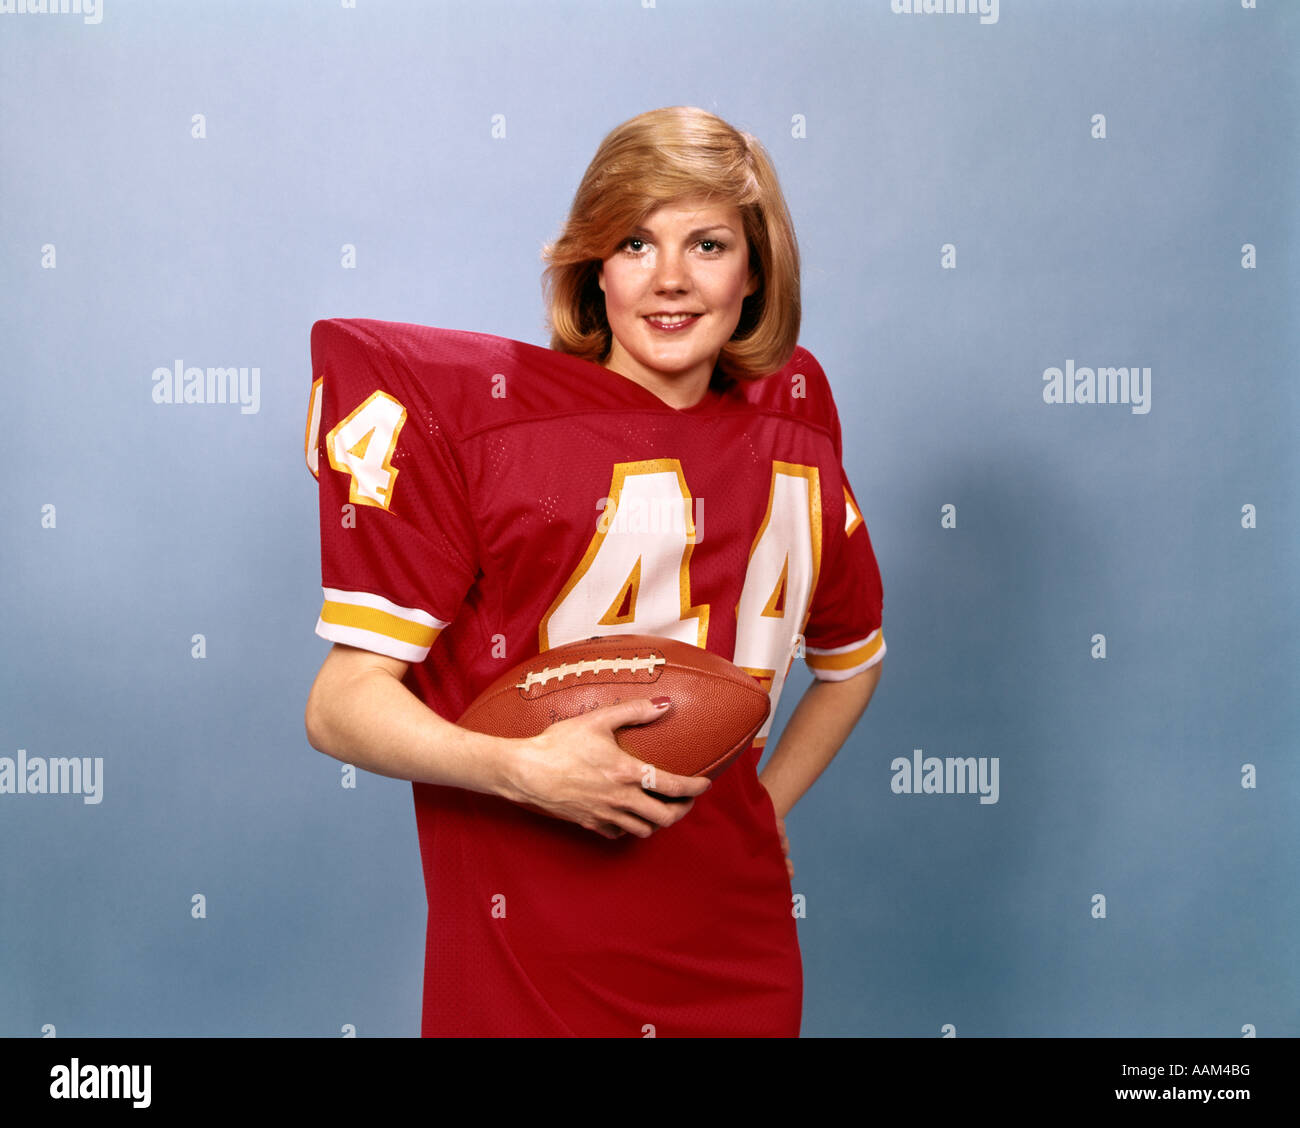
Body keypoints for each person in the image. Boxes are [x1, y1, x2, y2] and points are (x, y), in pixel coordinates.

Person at [303, 106, 885, 1037]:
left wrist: (758, 813)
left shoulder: (796, 425)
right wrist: (519, 769)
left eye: (707, 243)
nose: (669, 280)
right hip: (528, 959)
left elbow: (852, 661)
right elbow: (337, 705)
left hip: (737, 950)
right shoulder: (489, 430)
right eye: (633, 241)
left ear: (756, 273)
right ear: (592, 268)